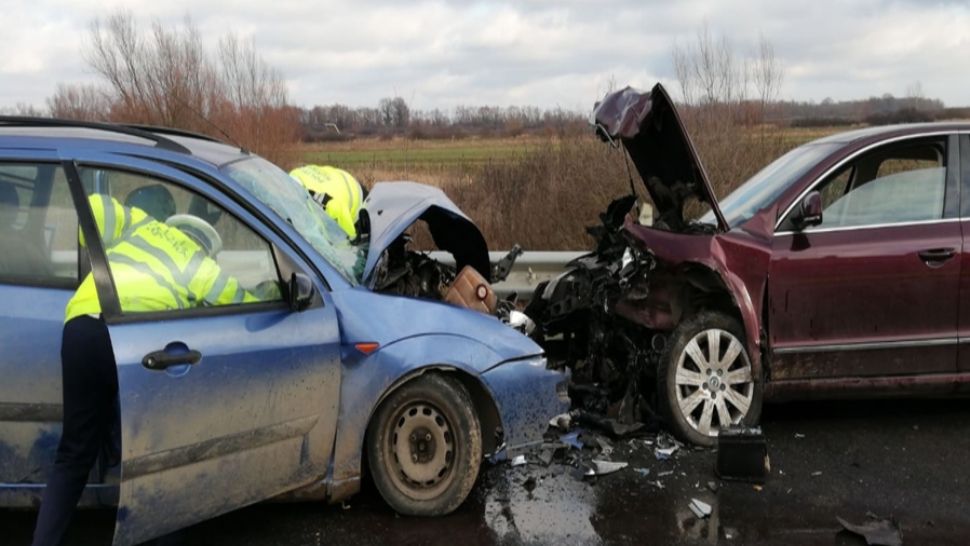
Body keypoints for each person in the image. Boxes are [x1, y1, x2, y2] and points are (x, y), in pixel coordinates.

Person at [32, 190, 261, 546]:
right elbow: (247, 310)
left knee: (74, 454)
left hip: (81, 328)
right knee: (153, 453)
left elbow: (90, 210)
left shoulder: (142, 226)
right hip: (130, 342)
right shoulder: (201, 266)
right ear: (207, 247)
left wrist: (120, 205)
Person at [289, 165, 365, 239]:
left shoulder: (331, 206)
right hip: (334, 178)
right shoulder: (293, 175)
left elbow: (348, 238)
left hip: (355, 193)